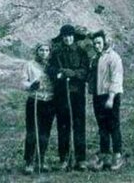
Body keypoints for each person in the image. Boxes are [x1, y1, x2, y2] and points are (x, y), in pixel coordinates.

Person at [48, 24, 89, 171]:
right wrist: (59, 73)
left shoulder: (82, 52)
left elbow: (85, 71)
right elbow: (50, 69)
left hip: (77, 94)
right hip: (61, 95)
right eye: (65, 36)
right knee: (63, 126)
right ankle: (64, 158)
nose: (68, 39)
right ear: (62, 38)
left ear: (74, 37)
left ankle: (81, 159)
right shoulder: (56, 53)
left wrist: (72, 73)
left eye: (70, 36)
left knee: (79, 125)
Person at [89, 30, 124, 171]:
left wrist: (111, 97)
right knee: (102, 127)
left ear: (104, 42)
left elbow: (116, 78)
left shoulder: (113, 57)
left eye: (99, 43)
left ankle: (117, 155)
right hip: (98, 96)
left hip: (111, 96)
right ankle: (104, 155)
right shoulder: (95, 58)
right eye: (94, 44)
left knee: (113, 125)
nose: (96, 46)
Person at [21, 43, 56, 175]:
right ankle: (28, 161)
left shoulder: (52, 66)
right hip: (35, 101)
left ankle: (41, 159)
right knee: (32, 131)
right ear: (37, 51)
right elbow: (23, 81)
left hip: (49, 101)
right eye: (41, 50)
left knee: (45, 132)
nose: (44, 52)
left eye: (47, 50)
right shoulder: (29, 65)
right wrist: (31, 85)